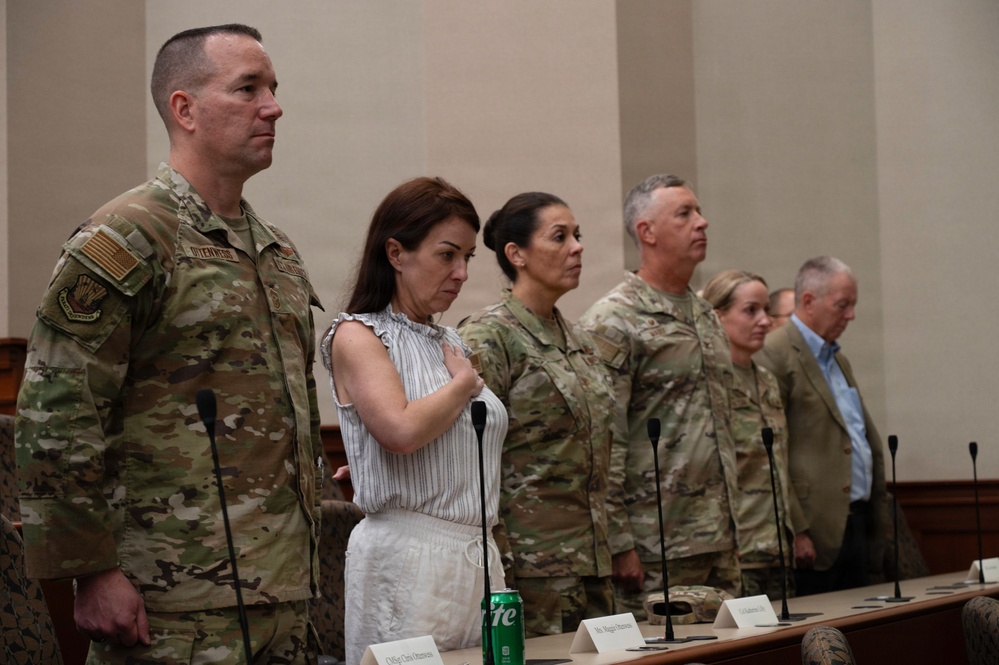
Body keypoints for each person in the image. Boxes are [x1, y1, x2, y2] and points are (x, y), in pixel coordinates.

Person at [15, 24, 324, 663]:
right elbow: (58, 411)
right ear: (184, 108)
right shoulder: (129, 237)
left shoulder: (275, 250)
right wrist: (90, 570)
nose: (274, 106)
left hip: (282, 593)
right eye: (248, 88)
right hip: (169, 601)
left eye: (273, 88)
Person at [322, 177, 507, 664]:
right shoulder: (359, 334)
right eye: (447, 255)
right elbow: (401, 431)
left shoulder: (448, 339)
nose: (462, 271)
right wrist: (464, 385)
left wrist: (365, 463)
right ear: (396, 253)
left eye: (468, 256)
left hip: (479, 554)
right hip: (408, 559)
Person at [579, 174, 740, 619]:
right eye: (685, 214)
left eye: (700, 211)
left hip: (721, 535)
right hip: (655, 544)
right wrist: (618, 542)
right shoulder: (615, 319)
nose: (702, 222)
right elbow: (603, 438)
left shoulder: (706, 313)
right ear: (646, 232)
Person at [458, 192, 617, 636]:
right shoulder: (490, 335)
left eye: (578, 236)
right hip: (530, 571)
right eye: (560, 236)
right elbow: (472, 458)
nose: (578, 247)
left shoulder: (581, 339)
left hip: (594, 562)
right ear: (517, 254)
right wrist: (500, 563)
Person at [756, 256, 887, 595]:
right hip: (813, 529)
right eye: (842, 305)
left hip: (856, 520)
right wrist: (796, 528)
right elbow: (769, 452)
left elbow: (854, 434)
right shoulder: (775, 353)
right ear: (810, 301)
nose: (851, 315)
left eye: (853, 305)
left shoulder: (837, 358)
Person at [703, 270, 813, 600]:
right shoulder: (707, 382)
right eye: (751, 310)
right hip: (736, 555)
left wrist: (797, 531)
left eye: (766, 310)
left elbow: (777, 462)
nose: (764, 321)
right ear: (717, 316)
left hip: (777, 551)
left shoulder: (765, 379)